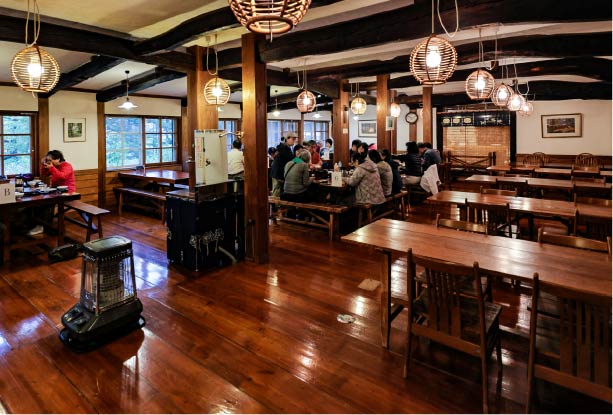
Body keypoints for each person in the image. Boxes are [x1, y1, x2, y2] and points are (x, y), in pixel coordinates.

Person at [28, 150, 76, 235]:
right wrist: (43, 165)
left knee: (46, 203)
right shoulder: (54, 166)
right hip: (55, 191)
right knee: (38, 201)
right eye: (48, 160)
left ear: (58, 159)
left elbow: (62, 177)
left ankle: (43, 226)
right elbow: (44, 174)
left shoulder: (67, 166)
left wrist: (52, 168)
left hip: (67, 192)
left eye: (50, 160)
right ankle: (40, 224)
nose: (49, 162)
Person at [270, 132, 296, 197]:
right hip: (278, 173)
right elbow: (292, 158)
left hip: (278, 173)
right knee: (276, 193)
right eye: (293, 139)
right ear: (287, 139)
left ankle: (276, 206)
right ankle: (274, 206)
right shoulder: (284, 148)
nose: (294, 141)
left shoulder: (282, 147)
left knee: (277, 191)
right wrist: (302, 162)